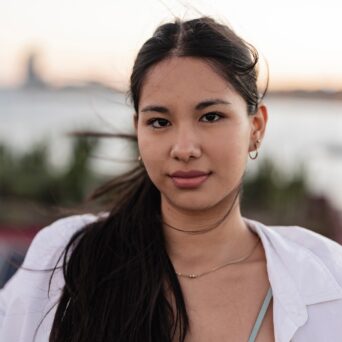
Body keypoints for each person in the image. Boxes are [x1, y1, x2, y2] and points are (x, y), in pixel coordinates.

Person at [1, 16, 342, 342]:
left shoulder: (325, 281)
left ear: (256, 128)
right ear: (138, 130)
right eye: (160, 122)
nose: (184, 148)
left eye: (211, 116)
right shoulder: (69, 260)